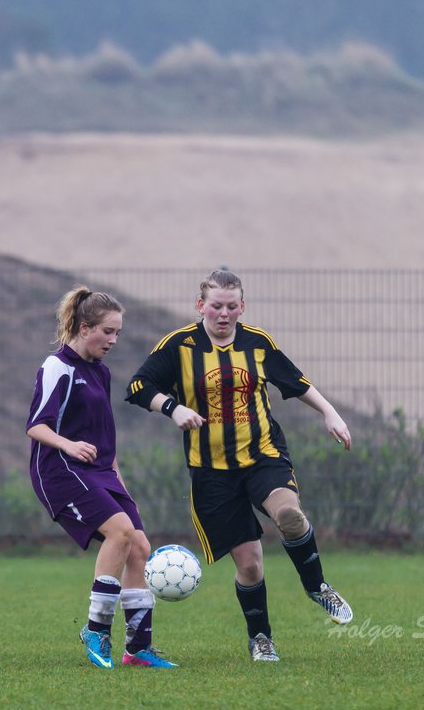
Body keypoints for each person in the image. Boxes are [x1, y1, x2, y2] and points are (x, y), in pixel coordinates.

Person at [125, 267, 354, 663]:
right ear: (201, 306)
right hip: (211, 472)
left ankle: (317, 587)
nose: (224, 314)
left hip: (262, 455)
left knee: (289, 516)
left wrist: (330, 413)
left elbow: (296, 382)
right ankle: (261, 638)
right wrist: (173, 407)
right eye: (216, 306)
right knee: (249, 565)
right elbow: (138, 387)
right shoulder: (178, 346)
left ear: (242, 306)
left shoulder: (257, 343)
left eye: (232, 306)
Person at [27, 285, 176, 669]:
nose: (113, 340)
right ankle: (96, 629)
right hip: (60, 469)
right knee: (120, 533)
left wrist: (120, 485)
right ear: (83, 326)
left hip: (100, 472)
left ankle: (138, 649)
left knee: (140, 547)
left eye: (118, 333)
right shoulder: (57, 366)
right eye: (107, 331)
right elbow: (36, 426)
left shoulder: (101, 372)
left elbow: (102, 438)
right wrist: (69, 445)